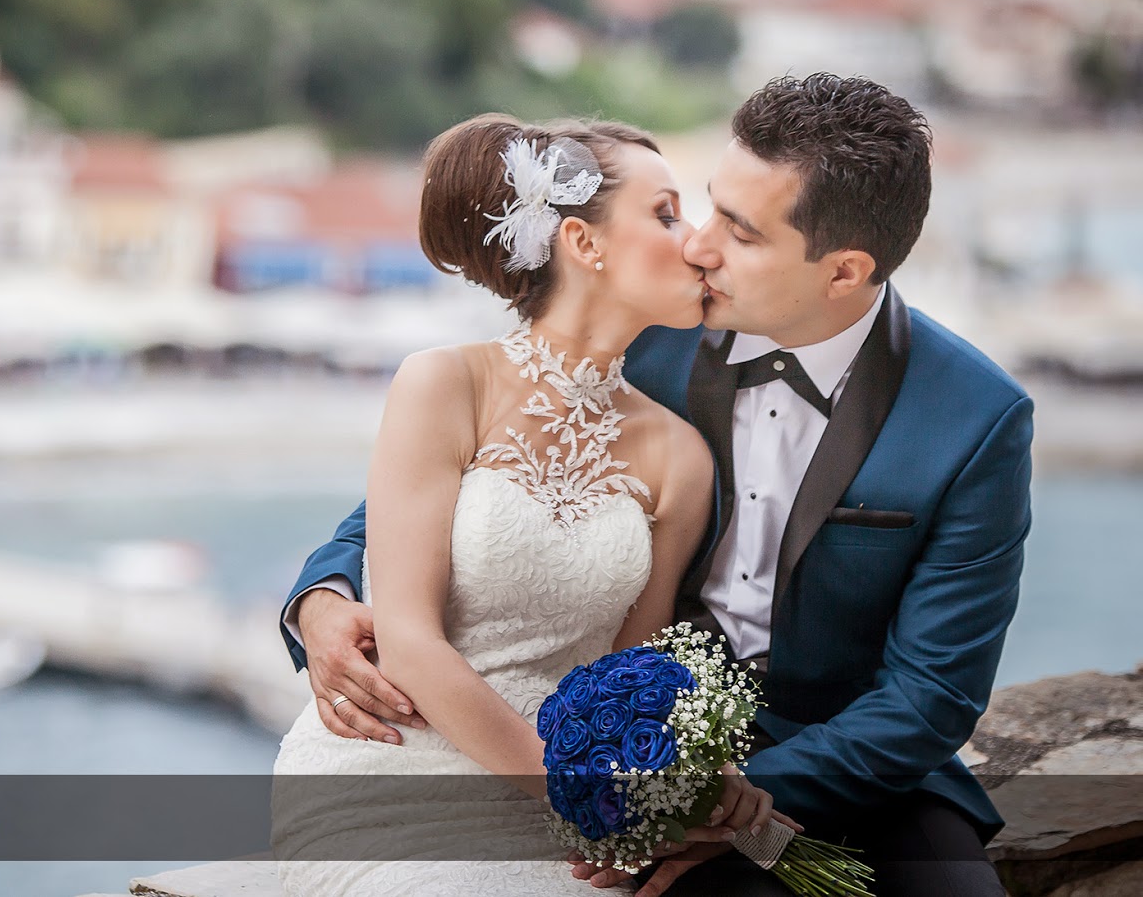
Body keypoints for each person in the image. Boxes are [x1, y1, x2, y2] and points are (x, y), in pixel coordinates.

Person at [283, 74, 1031, 897]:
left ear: (843, 270)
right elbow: (445, 495)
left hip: (848, 765)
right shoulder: (644, 329)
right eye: (704, 209)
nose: (700, 248)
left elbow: (931, 693)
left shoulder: (974, 418)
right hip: (613, 758)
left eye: (740, 232)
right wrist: (323, 597)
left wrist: (724, 801)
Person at [272, 114, 785, 897]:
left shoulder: (681, 456)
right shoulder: (445, 384)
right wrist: (575, 796)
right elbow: (407, 639)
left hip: (562, 804)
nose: (693, 242)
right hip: (392, 768)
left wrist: (685, 778)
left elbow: (627, 674)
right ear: (583, 242)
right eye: (665, 213)